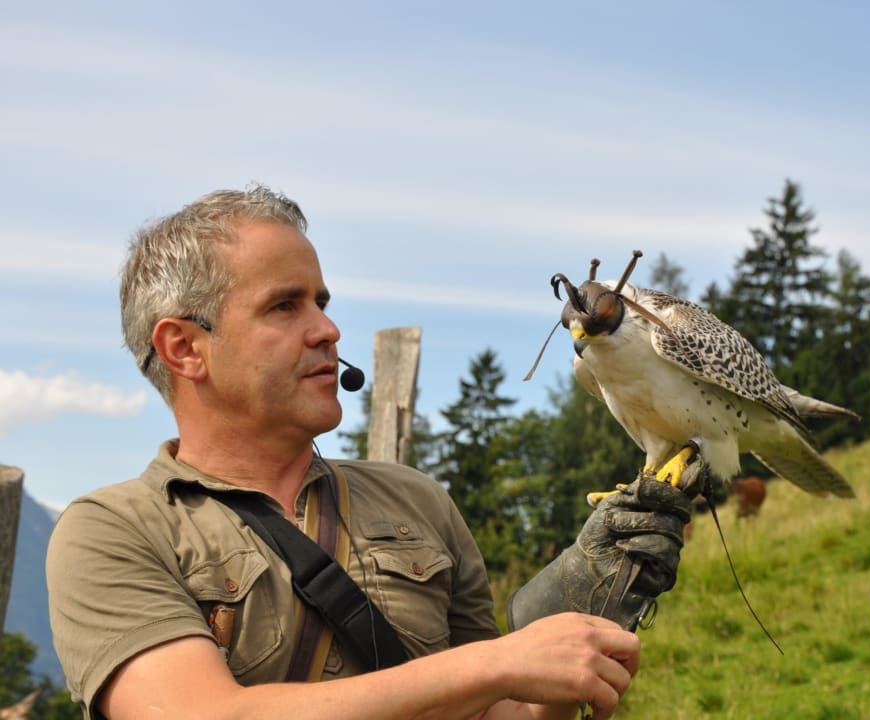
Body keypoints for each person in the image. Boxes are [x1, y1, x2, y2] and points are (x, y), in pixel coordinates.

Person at [46, 185, 696, 720]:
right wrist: (501, 660)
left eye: (322, 303)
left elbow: (501, 714)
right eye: (284, 305)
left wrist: (574, 635)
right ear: (185, 348)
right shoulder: (113, 530)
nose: (327, 329)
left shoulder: (418, 501)